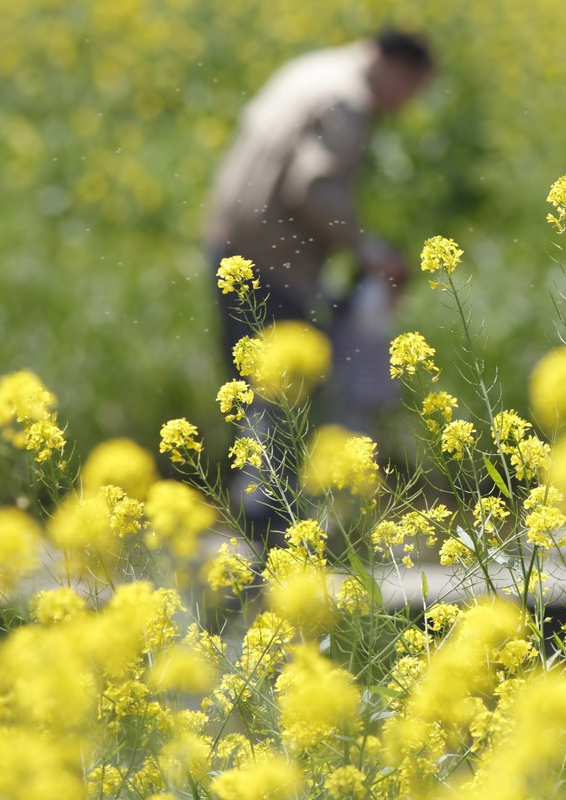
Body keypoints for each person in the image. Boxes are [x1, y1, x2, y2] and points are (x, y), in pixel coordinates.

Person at [204, 29, 435, 536]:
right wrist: (370, 252)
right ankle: (269, 528)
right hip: (272, 262)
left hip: (228, 247)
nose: (406, 104)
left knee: (255, 388)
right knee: (282, 396)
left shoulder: (309, 70)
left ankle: (259, 531)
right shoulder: (347, 99)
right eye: (413, 90)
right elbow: (313, 185)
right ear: (398, 69)